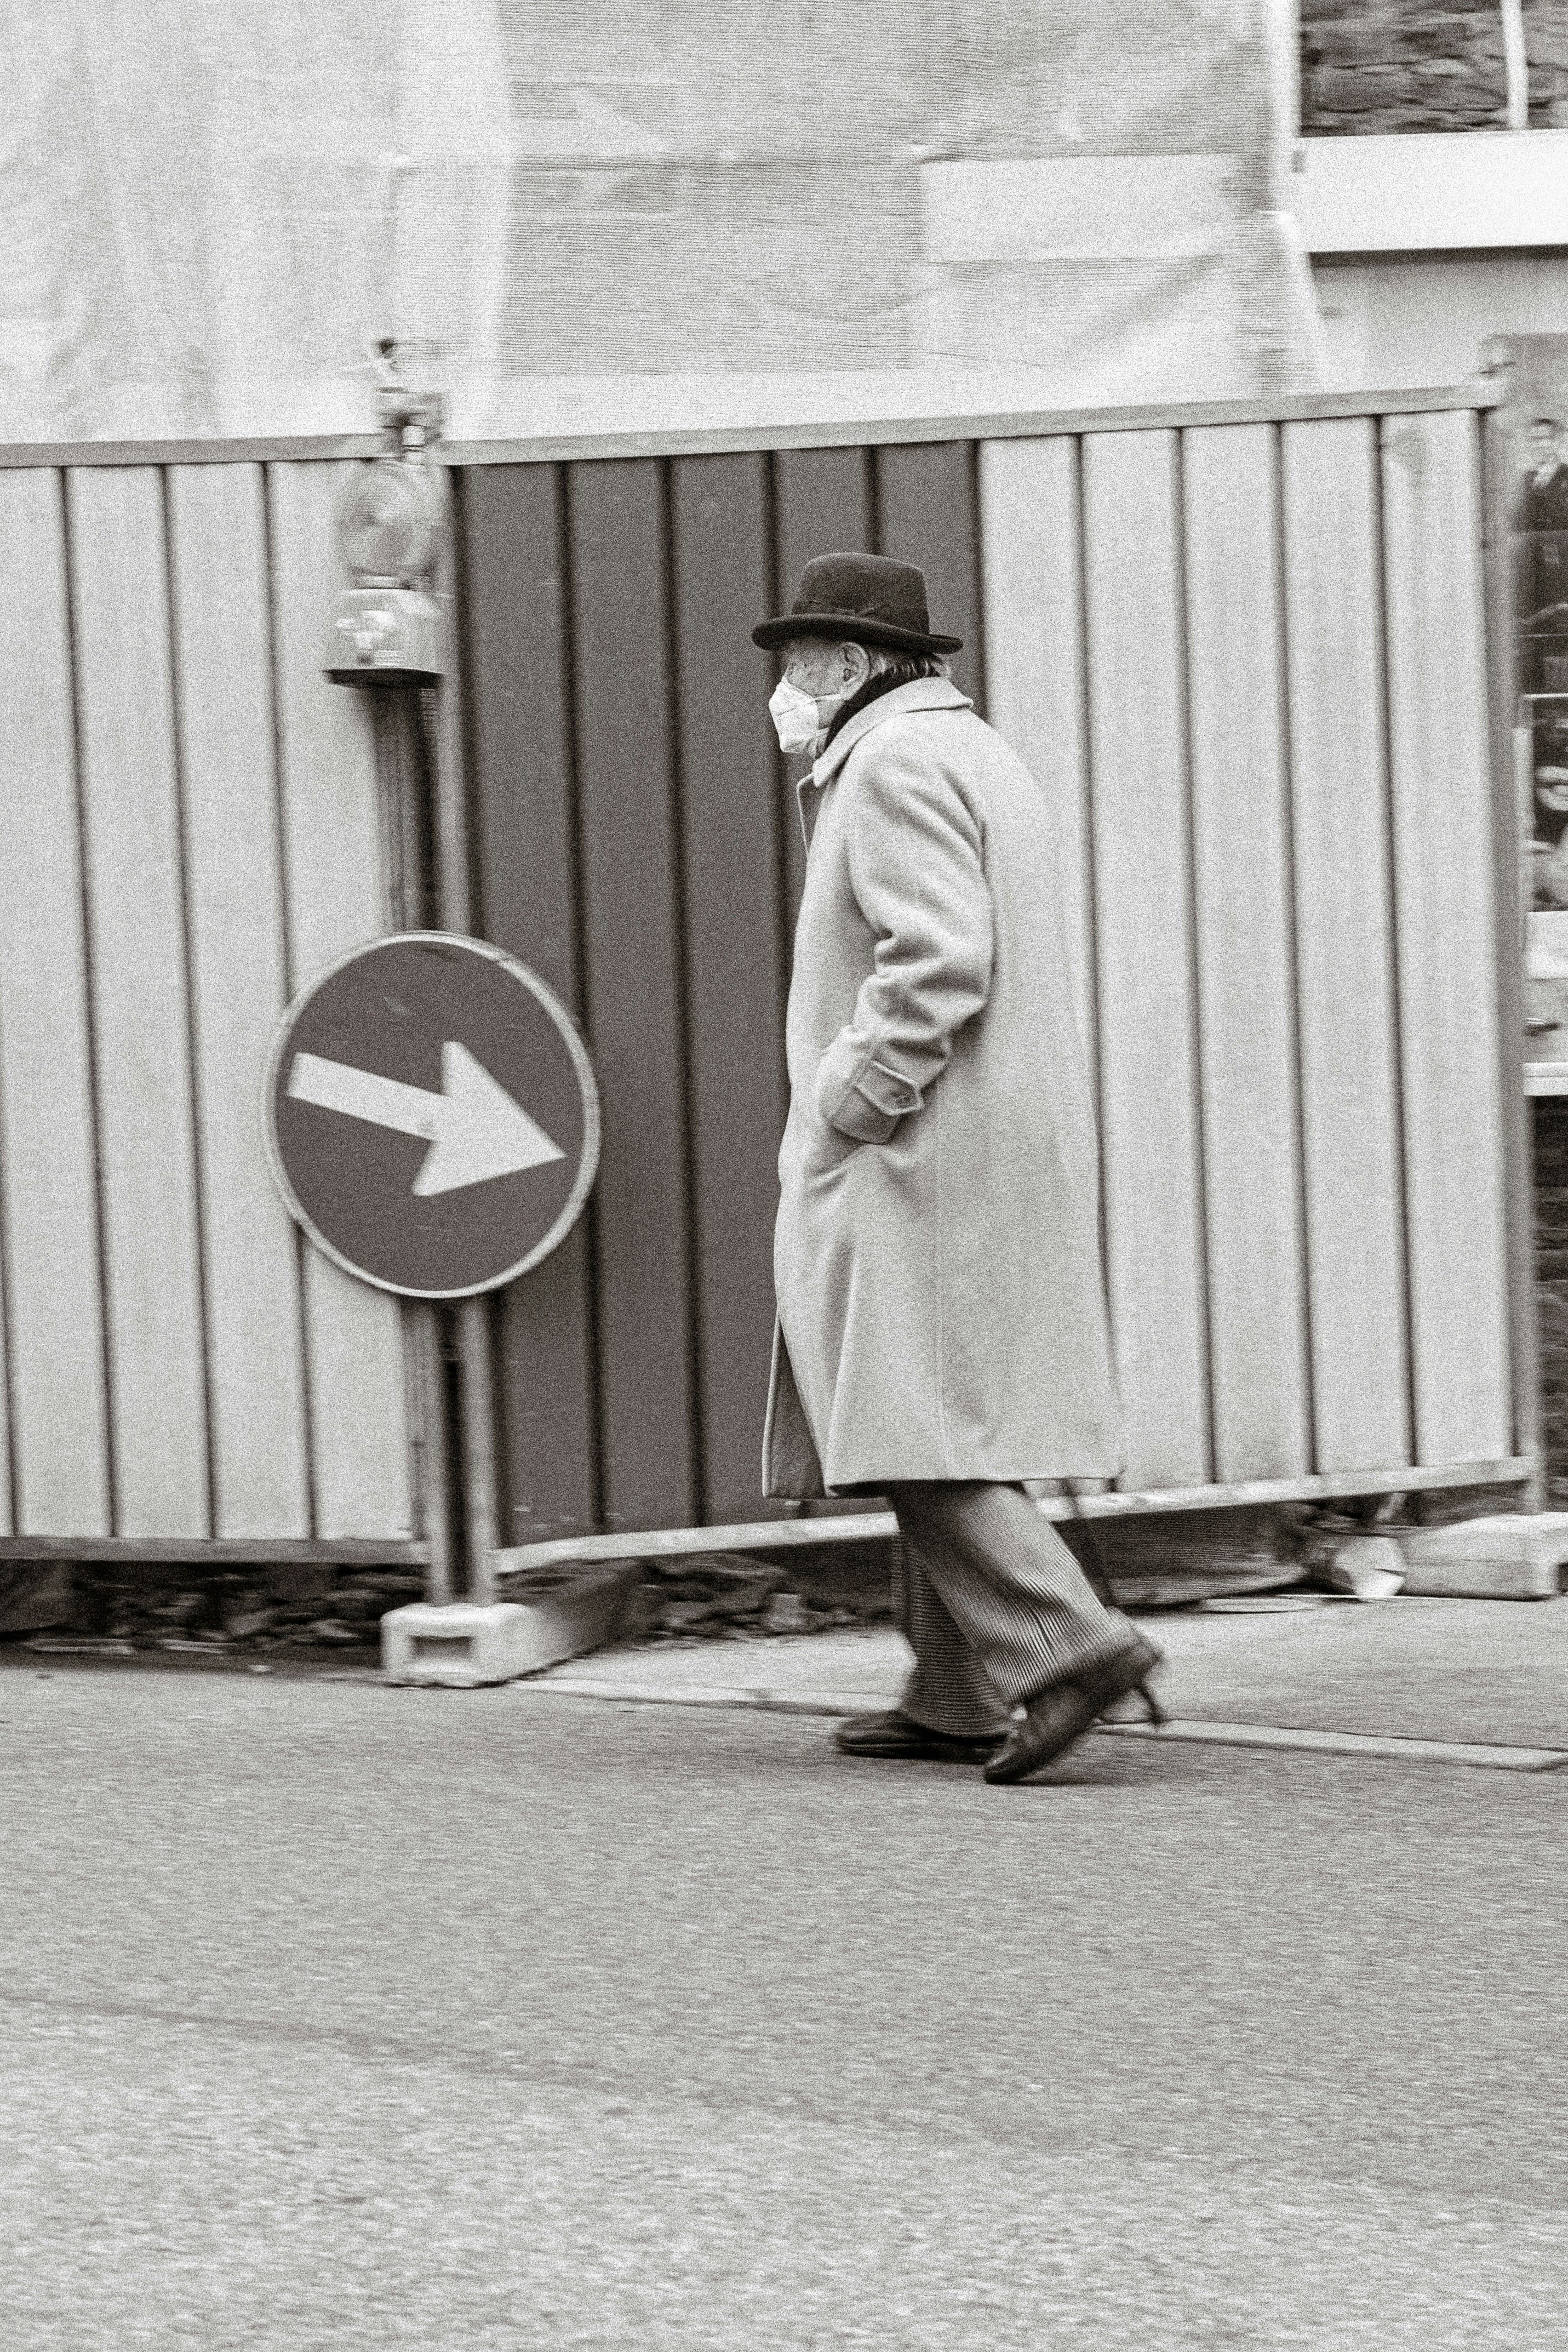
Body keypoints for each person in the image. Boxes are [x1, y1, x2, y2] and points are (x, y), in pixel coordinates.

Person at [752, 552, 1161, 1785]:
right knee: (930, 1411)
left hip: (920, 1148)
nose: (781, 692)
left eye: (795, 666)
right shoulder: (969, 750)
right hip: (974, 1141)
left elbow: (937, 957)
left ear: (850, 664)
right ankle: (952, 1690)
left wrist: (850, 1101)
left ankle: (1067, 1647)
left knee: (907, 1422)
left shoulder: (889, 763)